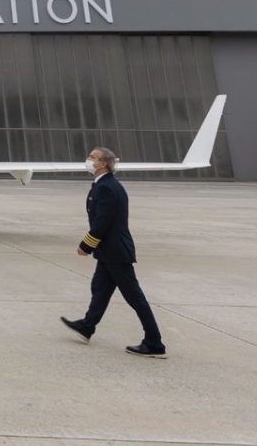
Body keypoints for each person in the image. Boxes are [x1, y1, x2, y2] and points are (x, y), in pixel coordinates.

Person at [61, 147, 167, 358]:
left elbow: (102, 223)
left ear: (102, 164)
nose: (88, 160)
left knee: (134, 297)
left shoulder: (106, 188)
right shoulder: (105, 185)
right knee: (100, 288)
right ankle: (87, 326)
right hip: (109, 251)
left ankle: (154, 342)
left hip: (115, 253)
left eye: (92, 157)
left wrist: (86, 245)